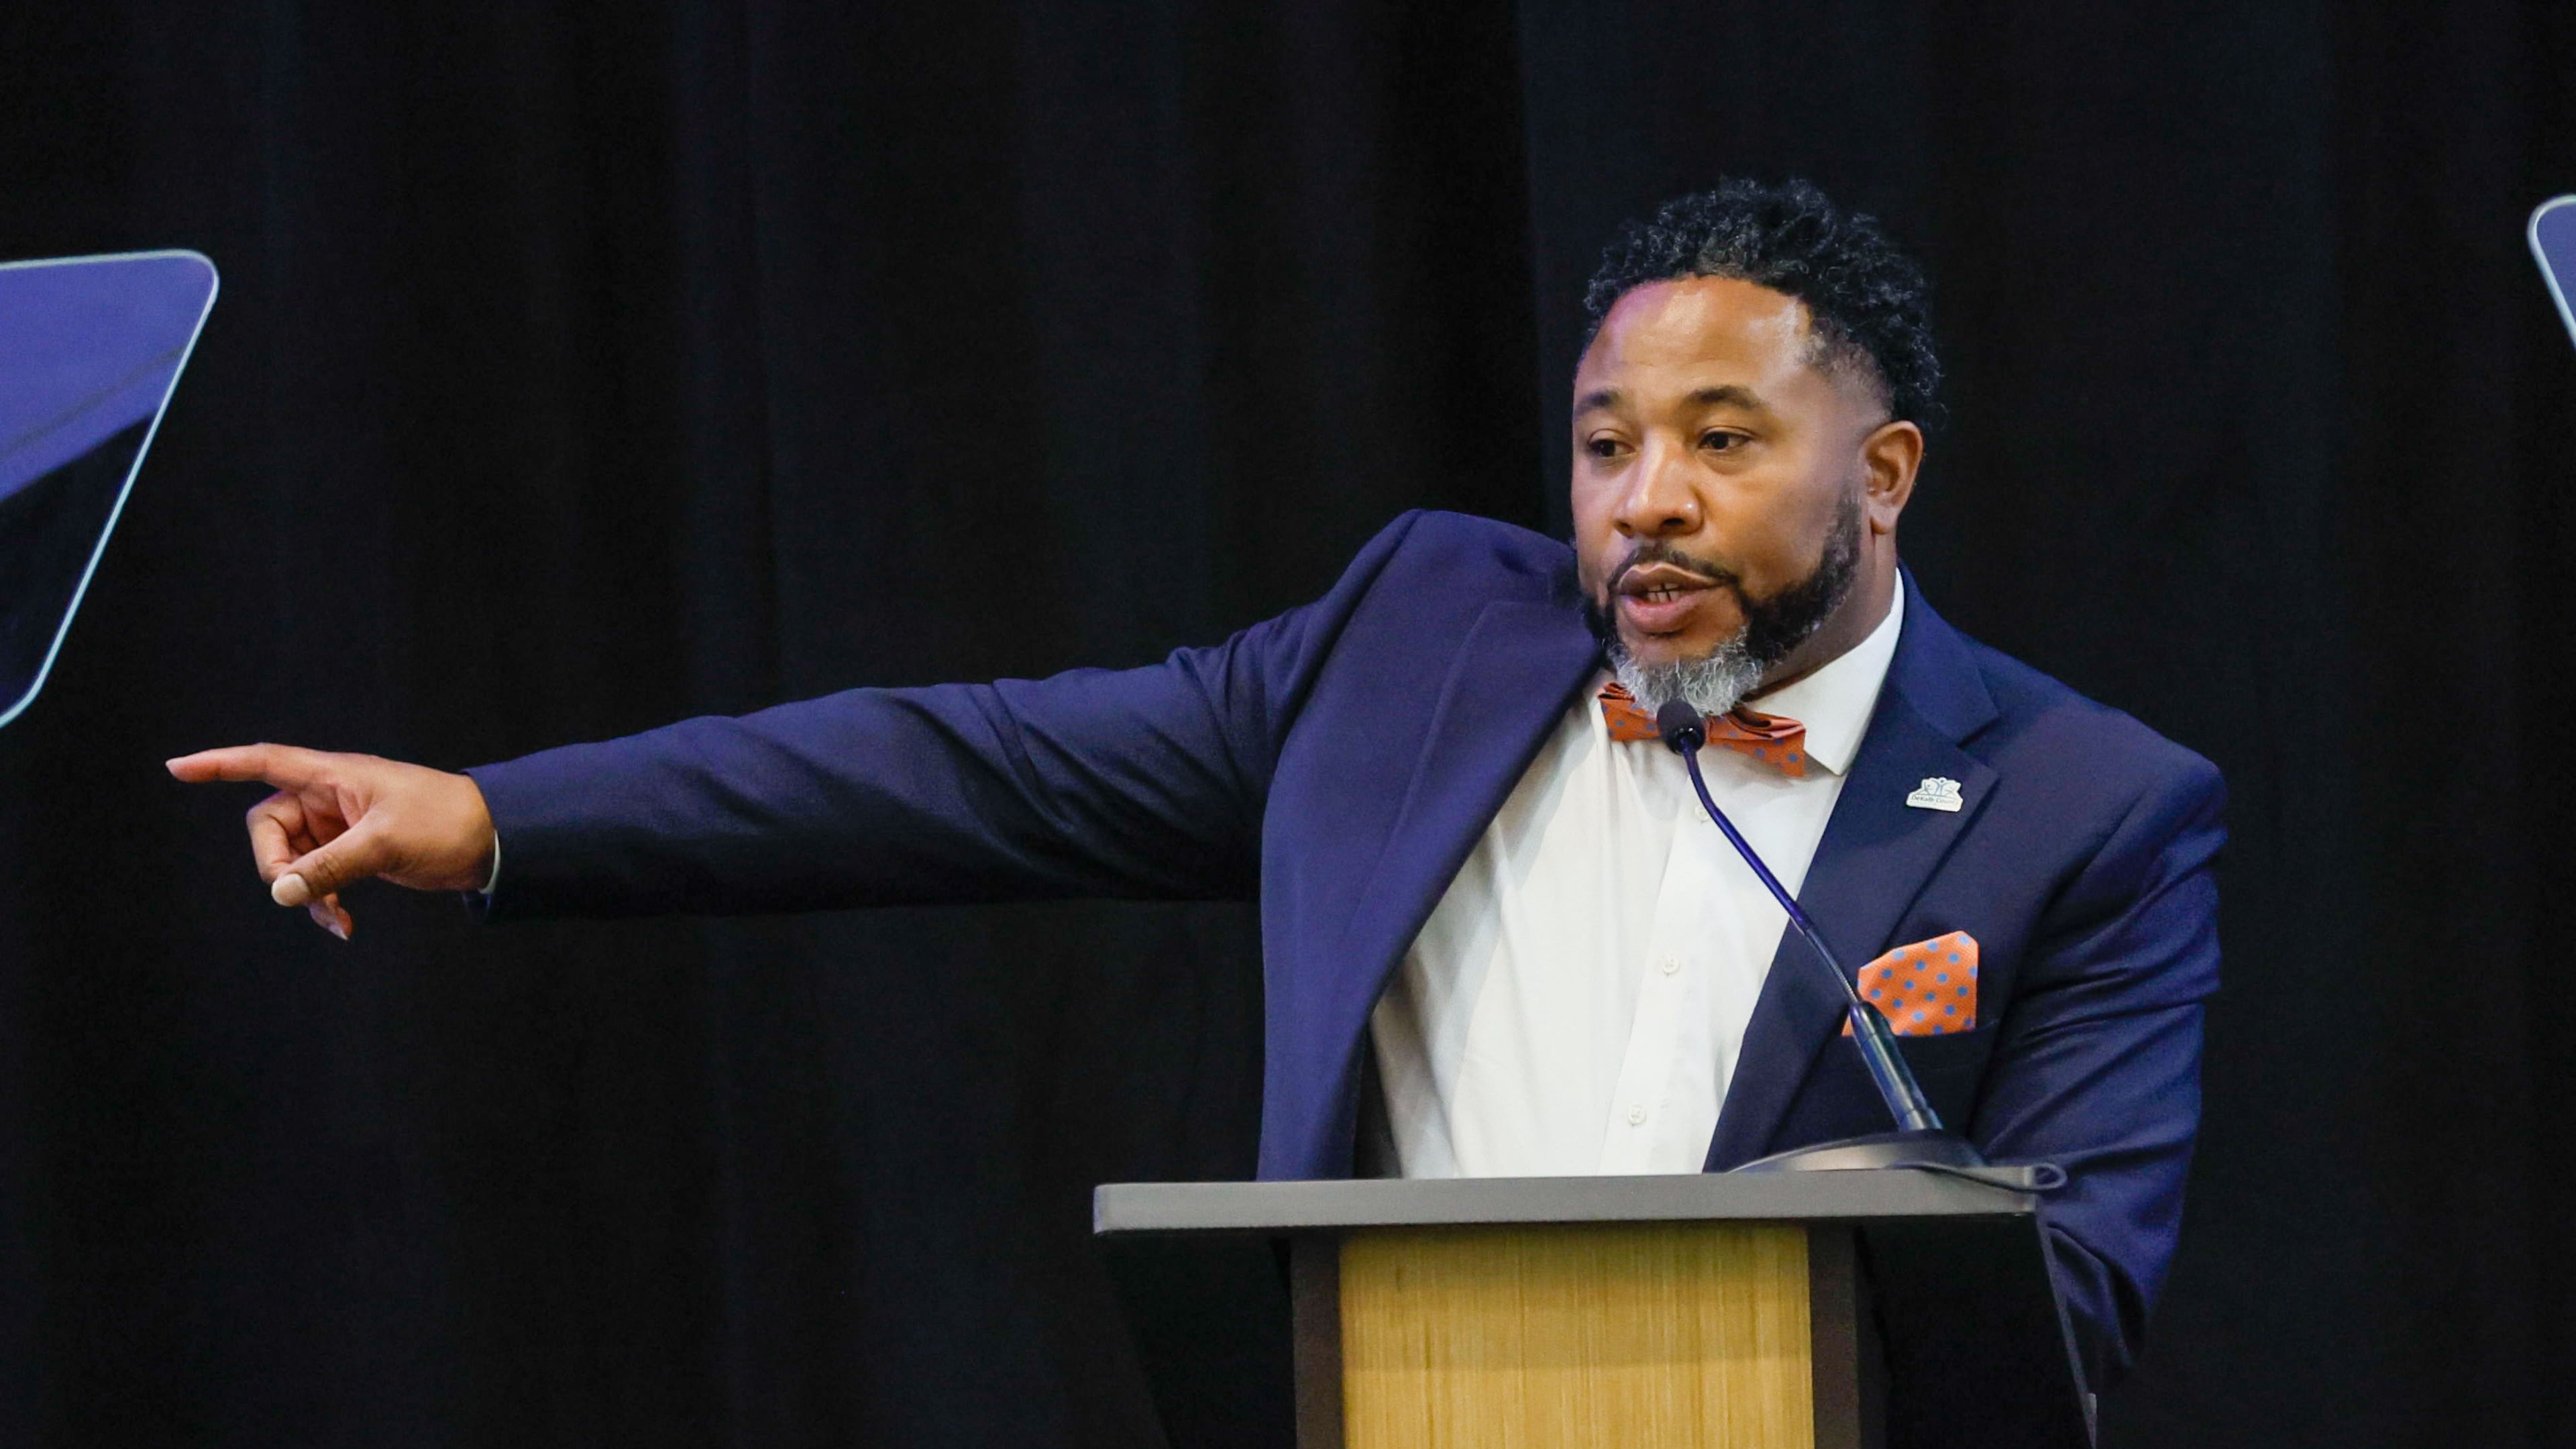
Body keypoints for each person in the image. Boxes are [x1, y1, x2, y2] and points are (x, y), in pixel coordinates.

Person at [169, 178, 2224, 1390]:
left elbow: (2079, 1293)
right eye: (1606, 446)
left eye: (1721, 441)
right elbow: (962, 772)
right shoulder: (1420, 643)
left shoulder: (2087, 804)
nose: (1646, 506)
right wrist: (505, 816)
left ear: (1882, 475)